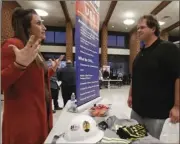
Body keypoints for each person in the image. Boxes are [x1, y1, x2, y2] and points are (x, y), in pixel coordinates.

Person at [1, 8, 64, 144]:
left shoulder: (33, 50)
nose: (44, 27)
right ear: (27, 28)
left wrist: (51, 70)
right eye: (39, 23)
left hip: (41, 116)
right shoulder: (13, 45)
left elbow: (34, 79)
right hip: (25, 125)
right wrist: (18, 65)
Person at [127, 14, 180, 139]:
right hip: (137, 111)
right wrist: (130, 94)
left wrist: (177, 106)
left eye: (142, 27)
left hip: (156, 113)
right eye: (137, 28)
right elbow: (135, 77)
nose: (138, 31)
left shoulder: (168, 48)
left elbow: (178, 76)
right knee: (135, 140)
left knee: (150, 141)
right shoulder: (140, 54)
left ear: (153, 29)